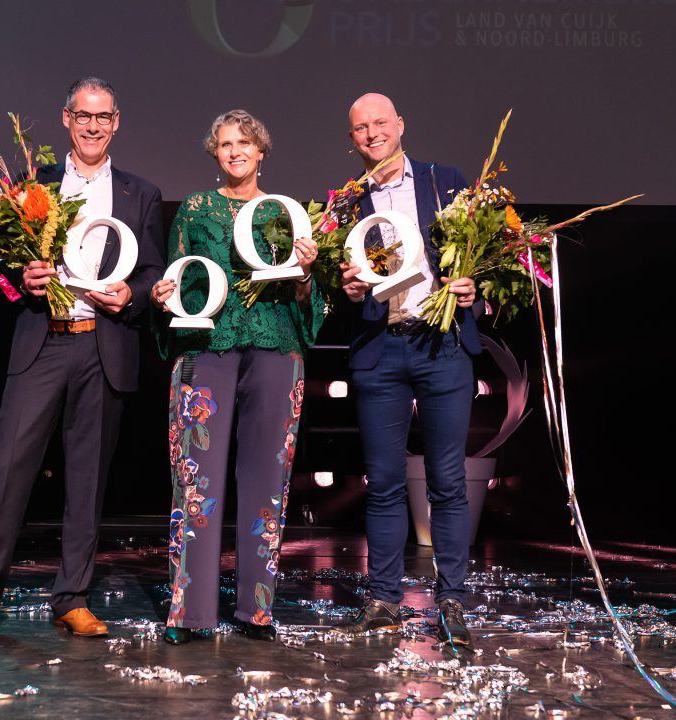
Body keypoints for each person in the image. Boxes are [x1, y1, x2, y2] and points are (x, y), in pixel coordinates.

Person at [0, 77, 165, 640]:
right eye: (83, 116)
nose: (93, 126)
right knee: (8, 467)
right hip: (43, 340)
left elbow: (155, 272)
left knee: (87, 479)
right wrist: (22, 279)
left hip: (104, 342)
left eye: (104, 117)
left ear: (117, 123)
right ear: (66, 119)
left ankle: (73, 597)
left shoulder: (143, 193)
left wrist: (132, 296)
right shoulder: (29, 186)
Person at [150, 109, 325, 644]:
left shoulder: (284, 213)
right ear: (214, 152)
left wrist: (307, 272)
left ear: (261, 150)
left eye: (244, 142)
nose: (234, 151)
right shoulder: (197, 209)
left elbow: (307, 302)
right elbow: (178, 275)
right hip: (209, 348)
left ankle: (257, 610)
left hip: (276, 349)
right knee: (196, 484)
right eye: (225, 144)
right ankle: (191, 612)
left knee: (266, 482)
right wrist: (163, 296)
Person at [336, 93, 480, 650]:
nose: (372, 134)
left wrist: (471, 287)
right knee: (385, 483)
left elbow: (480, 259)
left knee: (448, 482)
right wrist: (346, 289)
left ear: (400, 124)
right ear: (352, 139)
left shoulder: (447, 182)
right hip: (382, 349)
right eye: (360, 129)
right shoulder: (347, 203)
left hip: (441, 344)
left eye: (380, 123)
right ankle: (383, 599)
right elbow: (340, 282)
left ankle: (452, 600)